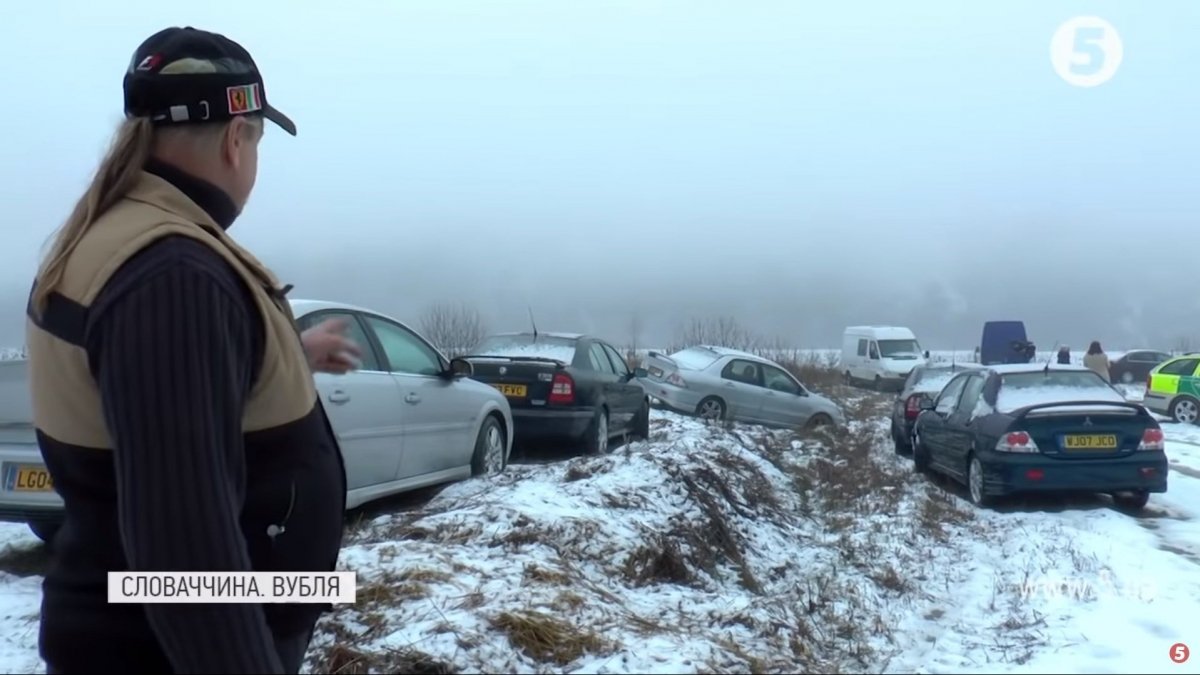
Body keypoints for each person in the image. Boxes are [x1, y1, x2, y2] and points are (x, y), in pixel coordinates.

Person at [24, 27, 361, 674]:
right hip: (160, 650)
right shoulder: (174, 277)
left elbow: (171, 378)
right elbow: (186, 552)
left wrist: (292, 349)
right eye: (258, 142)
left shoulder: (121, 242)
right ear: (237, 140)